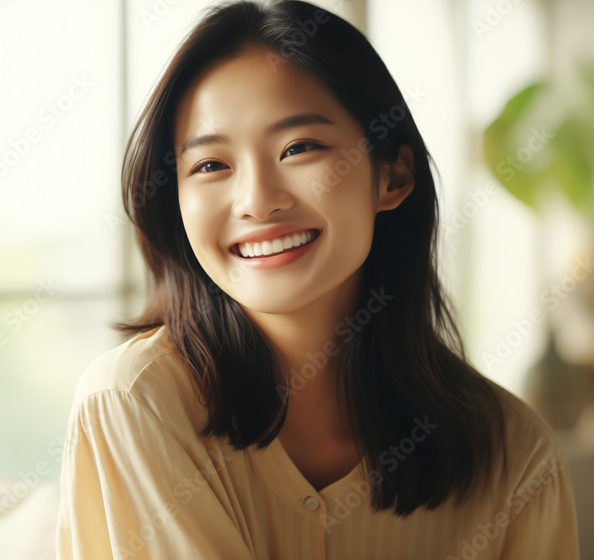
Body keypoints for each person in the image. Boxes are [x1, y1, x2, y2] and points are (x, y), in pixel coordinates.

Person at [55, 1, 581, 559]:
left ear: (393, 174)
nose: (256, 201)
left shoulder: (515, 455)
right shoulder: (136, 402)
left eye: (299, 148)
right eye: (211, 165)